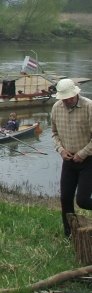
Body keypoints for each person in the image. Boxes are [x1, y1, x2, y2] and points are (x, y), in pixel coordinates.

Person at [51, 78, 92, 237]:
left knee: (82, 200)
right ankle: (69, 234)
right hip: (68, 160)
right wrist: (61, 150)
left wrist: (83, 153)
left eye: (70, 97)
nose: (68, 100)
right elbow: (54, 134)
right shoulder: (56, 108)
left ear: (76, 94)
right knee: (65, 199)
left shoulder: (89, 107)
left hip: (88, 160)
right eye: (64, 98)